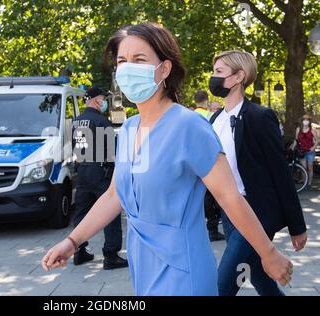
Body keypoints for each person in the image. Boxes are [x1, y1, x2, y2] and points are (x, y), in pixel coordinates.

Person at [42, 22, 293, 296]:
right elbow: (115, 195)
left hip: (184, 268)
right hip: (142, 263)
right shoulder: (127, 130)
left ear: (164, 68)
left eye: (139, 59)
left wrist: (269, 253)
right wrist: (72, 240)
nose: (127, 68)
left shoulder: (190, 127)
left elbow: (229, 197)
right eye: (122, 61)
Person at [208, 50, 307, 296]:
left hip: (257, 213)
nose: (213, 77)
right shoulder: (215, 119)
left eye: (219, 72)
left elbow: (280, 172)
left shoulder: (259, 117)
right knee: (259, 278)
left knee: (222, 286)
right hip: (229, 214)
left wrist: (297, 225)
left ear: (239, 76)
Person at [71, 87, 128, 270]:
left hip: (83, 171)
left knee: (81, 211)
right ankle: (111, 256)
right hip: (100, 172)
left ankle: (79, 251)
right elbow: (112, 153)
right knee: (110, 212)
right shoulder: (101, 121)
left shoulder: (77, 121)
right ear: (96, 100)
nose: (104, 102)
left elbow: (75, 147)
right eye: (103, 99)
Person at [293, 115, 317, 190]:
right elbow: (296, 140)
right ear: (302, 120)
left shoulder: (312, 130)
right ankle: (305, 183)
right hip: (301, 151)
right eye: (304, 119)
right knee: (303, 168)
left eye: (307, 119)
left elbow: (317, 140)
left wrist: (313, 147)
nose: (305, 121)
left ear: (309, 121)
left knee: (310, 168)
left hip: (310, 151)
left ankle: (309, 184)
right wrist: (293, 147)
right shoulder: (298, 129)